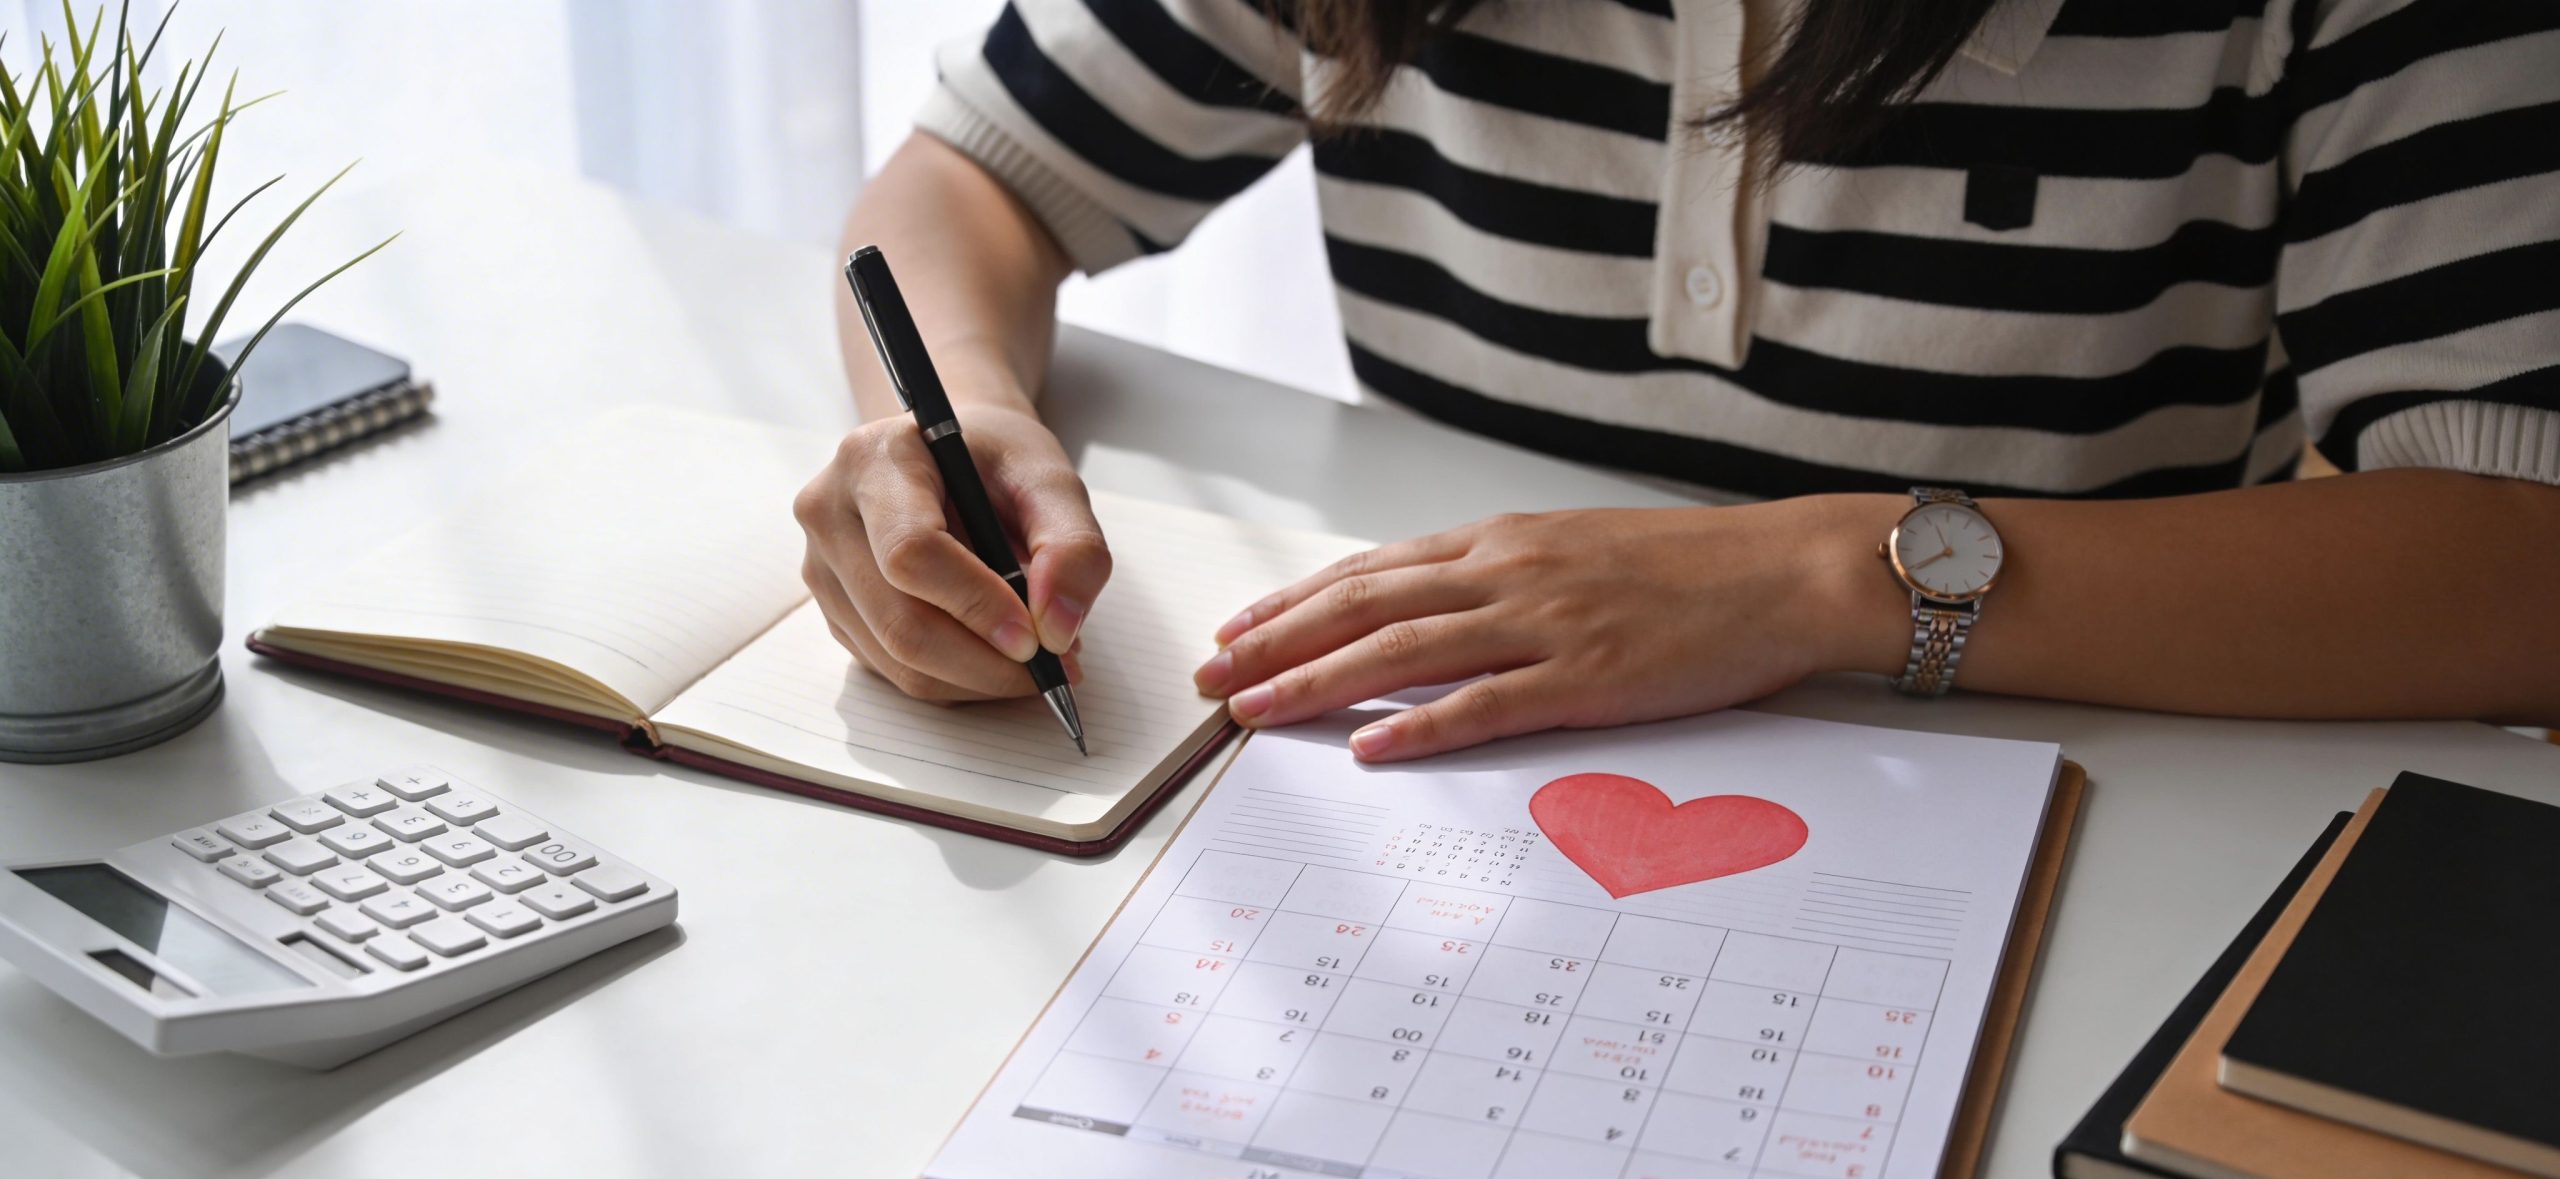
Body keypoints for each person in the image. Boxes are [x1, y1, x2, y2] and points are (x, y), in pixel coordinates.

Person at [795, 0, 2560, 762]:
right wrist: (943, 427)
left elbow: (2515, 564)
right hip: (1429, 788)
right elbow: (970, 187)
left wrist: (1812, 577)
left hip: (2075, 803)